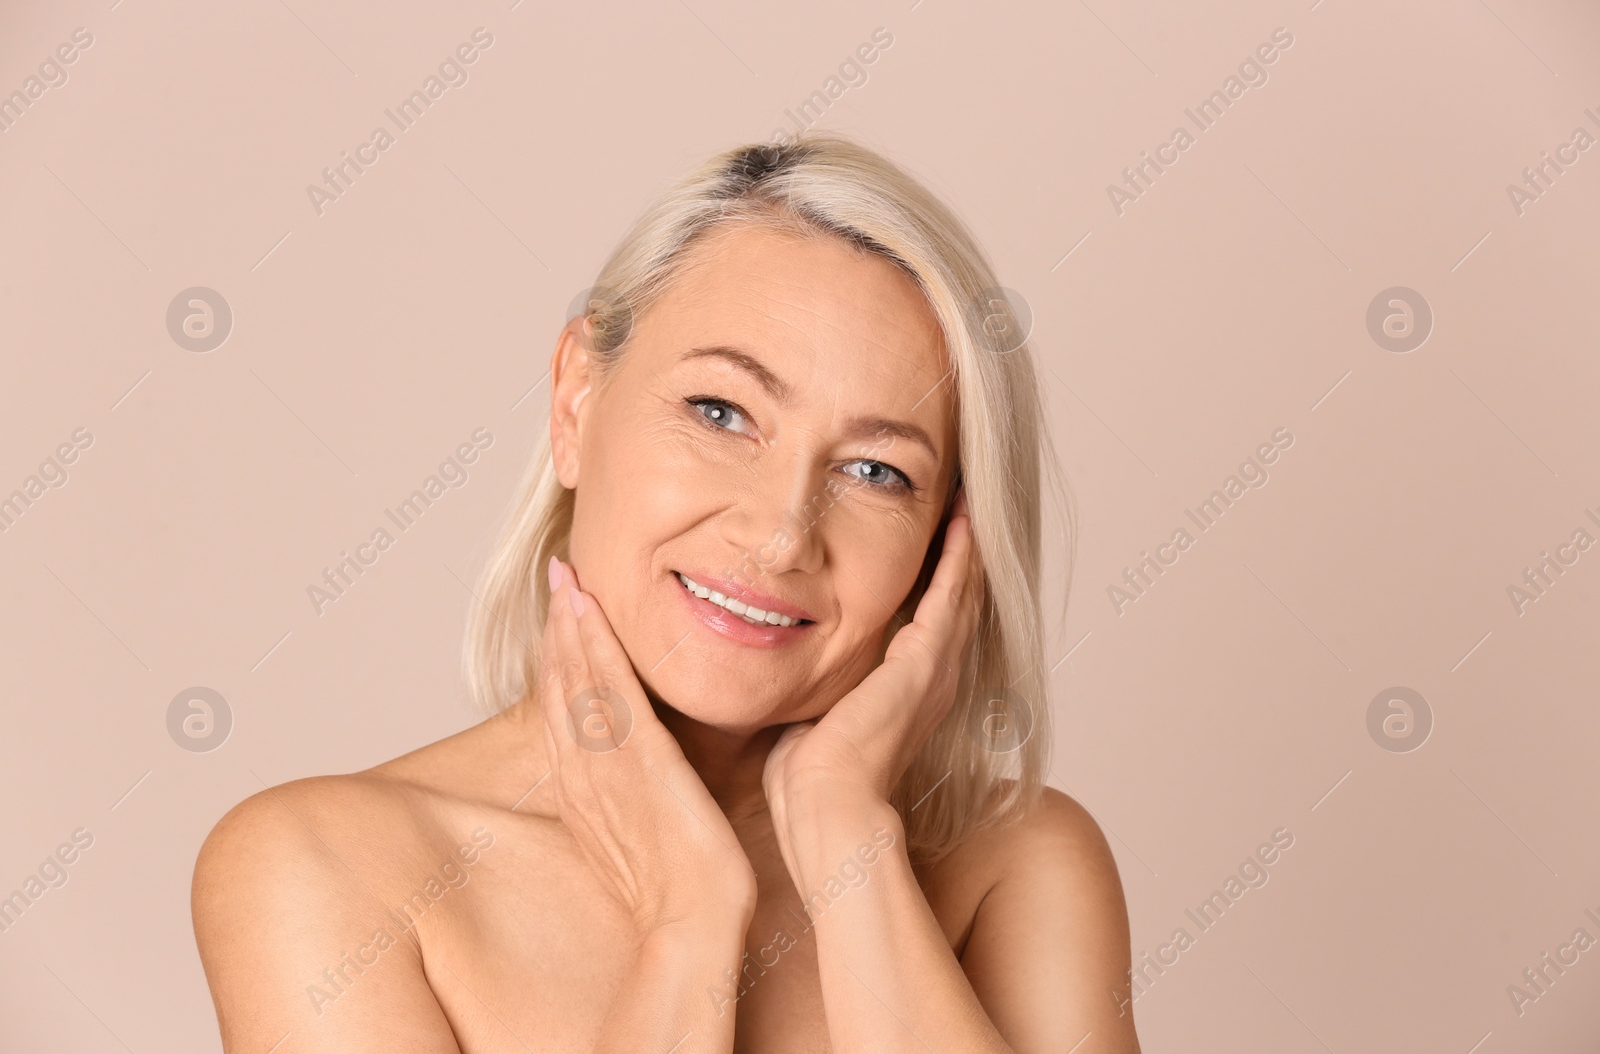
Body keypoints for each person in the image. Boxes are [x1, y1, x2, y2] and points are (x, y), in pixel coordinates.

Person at [192, 133, 1142, 1052]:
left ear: (946, 543)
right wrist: (686, 917)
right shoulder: (324, 867)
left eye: (876, 472)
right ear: (576, 400)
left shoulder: (1019, 865)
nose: (778, 536)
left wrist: (848, 838)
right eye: (721, 411)